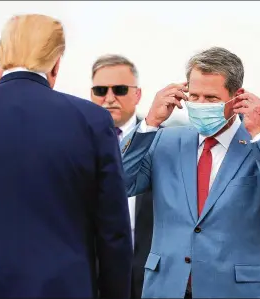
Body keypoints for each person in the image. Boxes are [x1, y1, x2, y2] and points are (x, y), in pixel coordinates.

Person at [0, 14, 132, 299]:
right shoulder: (91, 120)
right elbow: (113, 230)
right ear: (57, 62)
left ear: (3, 53)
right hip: (62, 286)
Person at [120, 46, 260, 298]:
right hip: (166, 288)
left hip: (235, 291)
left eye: (211, 98)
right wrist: (150, 123)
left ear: (237, 97)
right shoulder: (162, 141)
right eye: (194, 96)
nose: (200, 105)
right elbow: (119, 183)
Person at [91, 54, 154, 299]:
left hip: (147, 273)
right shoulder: (72, 143)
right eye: (100, 90)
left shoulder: (161, 142)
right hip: (91, 273)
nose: (109, 98)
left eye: (119, 89)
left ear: (137, 94)